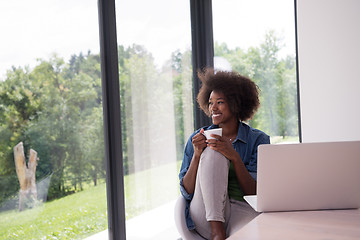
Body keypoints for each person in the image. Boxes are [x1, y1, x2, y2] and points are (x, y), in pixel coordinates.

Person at [178, 68, 270, 240]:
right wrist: (198, 155)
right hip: (204, 212)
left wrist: (234, 156)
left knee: (250, 236)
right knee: (213, 153)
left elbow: (256, 193)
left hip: (241, 209)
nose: (213, 107)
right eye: (211, 102)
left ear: (236, 104)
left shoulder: (258, 140)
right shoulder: (197, 139)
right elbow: (187, 191)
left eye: (220, 102)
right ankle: (217, 231)